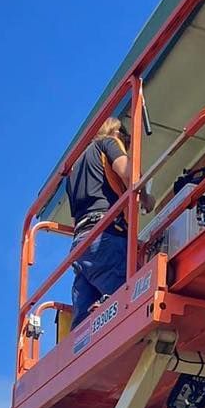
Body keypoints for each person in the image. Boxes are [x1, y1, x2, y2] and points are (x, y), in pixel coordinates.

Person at [67, 117, 154, 326]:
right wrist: (147, 198)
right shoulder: (109, 142)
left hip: (81, 244)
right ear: (117, 133)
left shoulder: (74, 170)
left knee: (83, 329)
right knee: (131, 298)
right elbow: (128, 173)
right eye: (126, 141)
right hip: (105, 237)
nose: (126, 146)